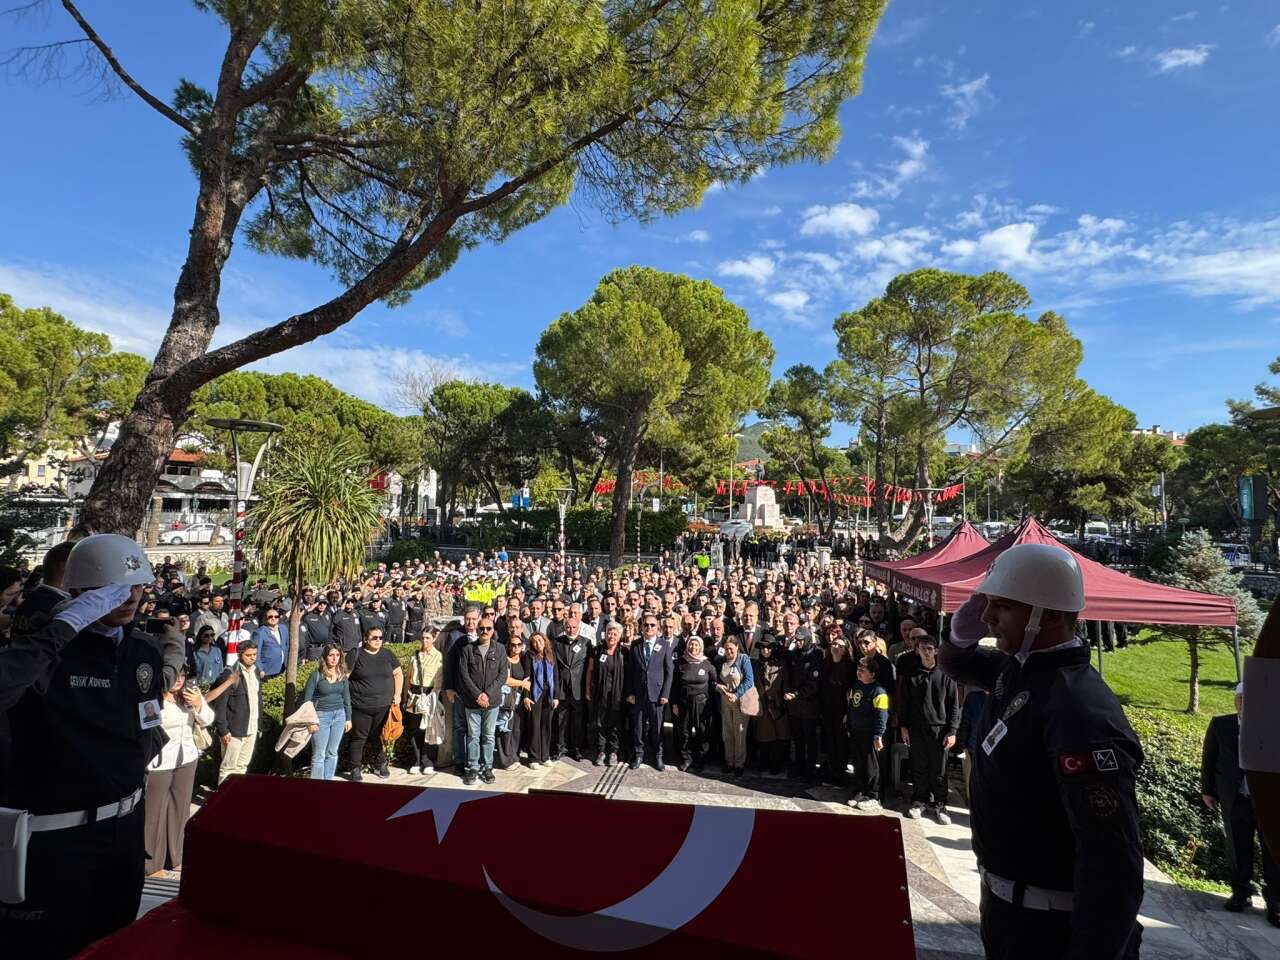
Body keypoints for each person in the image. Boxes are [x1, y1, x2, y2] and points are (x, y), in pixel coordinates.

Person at [939, 543, 1144, 960]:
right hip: (1009, 913)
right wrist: (958, 637)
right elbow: (957, 665)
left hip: (1052, 930)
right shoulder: (1019, 669)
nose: (988, 617)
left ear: (1048, 616)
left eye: (1002, 607)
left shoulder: (1079, 708)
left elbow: (1112, 861)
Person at [0, 534, 182, 960]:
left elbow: (145, 724)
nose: (130, 597)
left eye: (137, 586)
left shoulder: (143, 651)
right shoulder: (44, 651)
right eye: (115, 588)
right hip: (55, 841)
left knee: (113, 943)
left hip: (122, 833)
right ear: (81, 591)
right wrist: (63, 628)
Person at [1201, 683, 1279, 923]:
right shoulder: (1220, 725)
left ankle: (1275, 902)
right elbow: (1209, 758)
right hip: (1236, 798)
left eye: (1250, 699)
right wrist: (1207, 791)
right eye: (1240, 699)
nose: (1244, 704)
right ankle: (1240, 892)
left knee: (1272, 852)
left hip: (1269, 802)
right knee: (1237, 847)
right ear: (1235, 700)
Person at [145, 668, 213, 876]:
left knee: (180, 809)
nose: (179, 680)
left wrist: (198, 705)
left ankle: (177, 857)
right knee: (154, 812)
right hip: (160, 762)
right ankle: (151, 864)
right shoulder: (152, 698)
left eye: (182, 676)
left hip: (187, 757)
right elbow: (147, 726)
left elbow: (208, 719)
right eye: (175, 676)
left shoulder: (190, 696)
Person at [898, 635, 959, 823]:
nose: (926, 652)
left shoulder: (946, 675)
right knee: (919, 766)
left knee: (939, 768)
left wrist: (952, 731)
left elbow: (954, 705)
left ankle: (940, 803)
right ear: (917, 650)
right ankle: (920, 800)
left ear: (936, 651)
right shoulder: (911, 674)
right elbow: (904, 703)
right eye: (922, 648)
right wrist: (904, 727)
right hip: (916, 728)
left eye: (929, 648)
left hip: (939, 729)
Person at [345, 626, 403, 781]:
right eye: (374, 638)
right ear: (365, 639)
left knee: (380, 737)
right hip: (360, 706)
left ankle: (380, 764)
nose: (378, 641)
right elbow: (344, 678)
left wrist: (397, 694)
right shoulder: (355, 654)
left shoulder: (387, 654)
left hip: (384, 706)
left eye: (380, 638)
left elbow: (398, 674)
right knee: (359, 737)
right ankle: (355, 768)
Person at [457, 615, 508, 784]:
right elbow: (464, 675)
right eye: (482, 628)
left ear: (493, 631)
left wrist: (487, 694)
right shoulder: (468, 649)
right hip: (472, 702)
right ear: (477, 630)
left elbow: (502, 675)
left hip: (492, 702)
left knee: (489, 736)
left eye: (488, 628)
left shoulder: (500, 649)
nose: (485, 631)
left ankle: (487, 767)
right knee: (473, 736)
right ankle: (472, 767)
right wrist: (478, 695)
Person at [212, 639, 264, 783]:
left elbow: (258, 701)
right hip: (234, 731)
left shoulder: (256, 672)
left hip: (251, 728)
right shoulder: (230, 675)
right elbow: (220, 705)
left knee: (242, 766)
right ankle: (223, 801)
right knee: (228, 768)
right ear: (240, 655)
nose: (253, 657)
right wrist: (223, 729)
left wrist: (259, 725)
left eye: (254, 654)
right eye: (249, 655)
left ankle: (235, 798)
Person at [627, 613, 673, 771]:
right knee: (639, 726)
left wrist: (665, 694)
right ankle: (638, 754)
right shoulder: (635, 645)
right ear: (641, 627)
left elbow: (669, 671)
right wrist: (630, 692)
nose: (649, 628)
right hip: (639, 693)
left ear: (658, 628)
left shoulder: (664, 645)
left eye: (652, 625)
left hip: (657, 693)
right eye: (646, 625)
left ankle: (658, 756)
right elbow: (630, 671)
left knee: (657, 726)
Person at [302, 643, 352, 781]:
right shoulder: (316, 676)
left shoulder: (342, 675)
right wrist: (310, 722)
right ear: (325, 657)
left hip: (339, 715)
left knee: (332, 752)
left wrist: (348, 718)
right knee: (319, 754)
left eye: (337, 655)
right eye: (331, 655)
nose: (334, 658)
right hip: (321, 717)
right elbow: (307, 701)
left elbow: (346, 698)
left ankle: (328, 781)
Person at [781, 613, 821, 782]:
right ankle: (798, 765)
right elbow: (787, 675)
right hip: (794, 706)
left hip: (809, 706)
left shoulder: (815, 656)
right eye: (796, 640)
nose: (798, 643)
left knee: (809, 740)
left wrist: (796, 694)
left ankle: (810, 769)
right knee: (797, 739)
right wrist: (788, 692)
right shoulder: (794, 655)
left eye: (801, 640)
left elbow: (813, 684)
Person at [847, 656, 889, 810]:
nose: (859, 672)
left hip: (870, 734)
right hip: (856, 732)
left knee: (872, 766)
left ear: (872, 673)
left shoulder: (879, 691)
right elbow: (851, 707)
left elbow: (882, 716)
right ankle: (861, 790)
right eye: (858, 669)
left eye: (863, 670)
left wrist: (878, 735)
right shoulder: (856, 686)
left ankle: (874, 795)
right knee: (858, 764)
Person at [586, 621, 628, 766]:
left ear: (619, 636)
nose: (612, 636)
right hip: (600, 694)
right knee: (600, 723)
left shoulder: (624, 652)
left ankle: (614, 752)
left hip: (617, 695)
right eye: (610, 632)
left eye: (615, 634)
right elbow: (590, 671)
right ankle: (601, 751)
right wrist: (587, 690)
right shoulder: (597, 650)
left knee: (615, 724)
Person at [403, 630, 443, 775]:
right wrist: (404, 697)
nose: (425, 641)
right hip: (413, 696)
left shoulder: (438, 656)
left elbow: (438, 681)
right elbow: (408, 677)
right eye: (423, 638)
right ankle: (416, 760)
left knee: (427, 729)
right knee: (414, 729)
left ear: (434, 639)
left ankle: (428, 761)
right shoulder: (415, 655)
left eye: (428, 638)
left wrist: (433, 698)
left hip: (429, 697)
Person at [552, 611, 590, 761]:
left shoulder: (586, 643)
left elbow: (589, 667)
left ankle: (576, 748)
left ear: (578, 627)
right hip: (561, 687)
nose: (571, 630)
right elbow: (554, 667)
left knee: (577, 720)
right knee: (561, 719)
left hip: (578, 688)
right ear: (564, 627)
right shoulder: (556, 642)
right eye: (568, 627)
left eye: (574, 627)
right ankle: (561, 747)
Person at [672, 636, 713, 772]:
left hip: (702, 704)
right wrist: (675, 704)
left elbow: (714, 682)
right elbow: (675, 685)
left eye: (696, 645)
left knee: (702, 731)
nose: (693, 647)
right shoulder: (681, 663)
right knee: (684, 731)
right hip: (684, 702)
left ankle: (700, 760)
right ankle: (687, 758)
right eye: (691, 645)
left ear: (700, 647)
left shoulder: (707, 664)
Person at [716, 635, 754, 777]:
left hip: (739, 701)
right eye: (726, 649)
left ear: (737, 647)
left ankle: (739, 764)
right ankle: (729, 761)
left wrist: (736, 694)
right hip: (725, 701)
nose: (729, 652)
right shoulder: (721, 661)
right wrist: (718, 686)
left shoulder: (743, 660)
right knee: (727, 732)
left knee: (739, 733)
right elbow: (715, 679)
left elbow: (749, 680)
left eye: (731, 649)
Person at [820, 629, 855, 785]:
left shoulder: (850, 667)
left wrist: (849, 712)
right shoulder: (825, 664)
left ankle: (840, 775)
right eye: (834, 644)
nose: (836, 647)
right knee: (830, 741)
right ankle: (832, 772)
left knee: (841, 743)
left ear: (846, 649)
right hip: (827, 709)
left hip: (843, 710)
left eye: (841, 646)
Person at [523, 632, 558, 768]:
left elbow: (555, 677)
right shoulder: (529, 656)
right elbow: (526, 678)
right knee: (534, 725)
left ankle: (545, 756)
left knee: (546, 725)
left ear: (545, 640)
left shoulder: (551, 655)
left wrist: (556, 696)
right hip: (534, 694)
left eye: (540, 640)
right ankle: (533, 758)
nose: (538, 643)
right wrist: (526, 696)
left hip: (548, 694)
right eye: (534, 641)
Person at [496, 634, 530, 770]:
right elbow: (505, 679)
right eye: (513, 645)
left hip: (519, 700)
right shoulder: (505, 660)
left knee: (516, 729)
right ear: (508, 646)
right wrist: (521, 683)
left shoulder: (523, 660)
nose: (516, 647)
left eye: (518, 645)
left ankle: (514, 756)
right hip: (507, 700)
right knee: (505, 729)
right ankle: (505, 760)